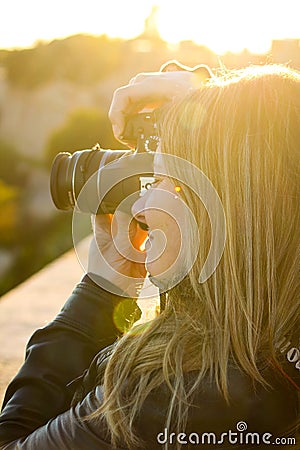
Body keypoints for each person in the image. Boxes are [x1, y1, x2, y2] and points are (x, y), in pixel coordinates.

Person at [0, 62, 299, 449]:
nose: (139, 203)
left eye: (157, 179)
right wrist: (227, 107)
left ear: (212, 214)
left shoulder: (165, 398)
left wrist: (101, 290)